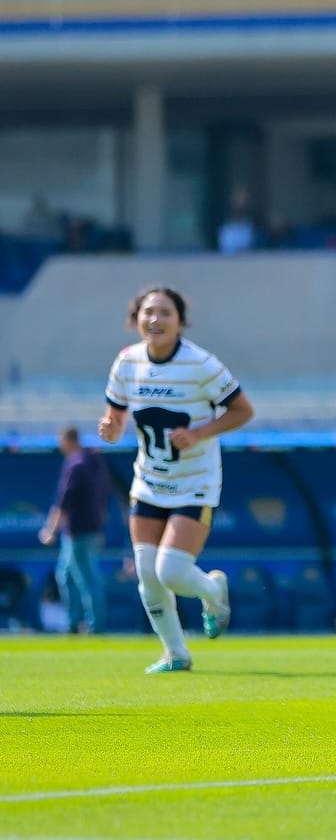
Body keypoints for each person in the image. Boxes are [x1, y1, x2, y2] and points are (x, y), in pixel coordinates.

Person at [98, 286, 254, 673]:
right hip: (148, 481)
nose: (155, 319)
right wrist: (110, 428)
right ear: (135, 319)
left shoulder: (201, 363)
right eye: (148, 312)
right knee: (148, 577)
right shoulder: (126, 362)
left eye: (165, 312)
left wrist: (199, 433)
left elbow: (242, 411)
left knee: (171, 571)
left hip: (195, 481)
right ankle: (176, 654)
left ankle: (214, 591)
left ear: (181, 321)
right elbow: (116, 417)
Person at [38, 426, 111, 634]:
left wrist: (50, 529)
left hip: (79, 531)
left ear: (68, 440)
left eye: (60, 440)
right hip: (91, 530)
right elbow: (104, 496)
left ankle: (95, 626)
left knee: (87, 578)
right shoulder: (95, 460)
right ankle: (74, 623)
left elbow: (63, 501)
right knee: (67, 575)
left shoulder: (76, 463)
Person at [217, 185, 261, 254]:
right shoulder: (226, 228)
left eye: (243, 199)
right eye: (238, 199)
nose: (240, 203)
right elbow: (226, 249)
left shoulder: (253, 225)